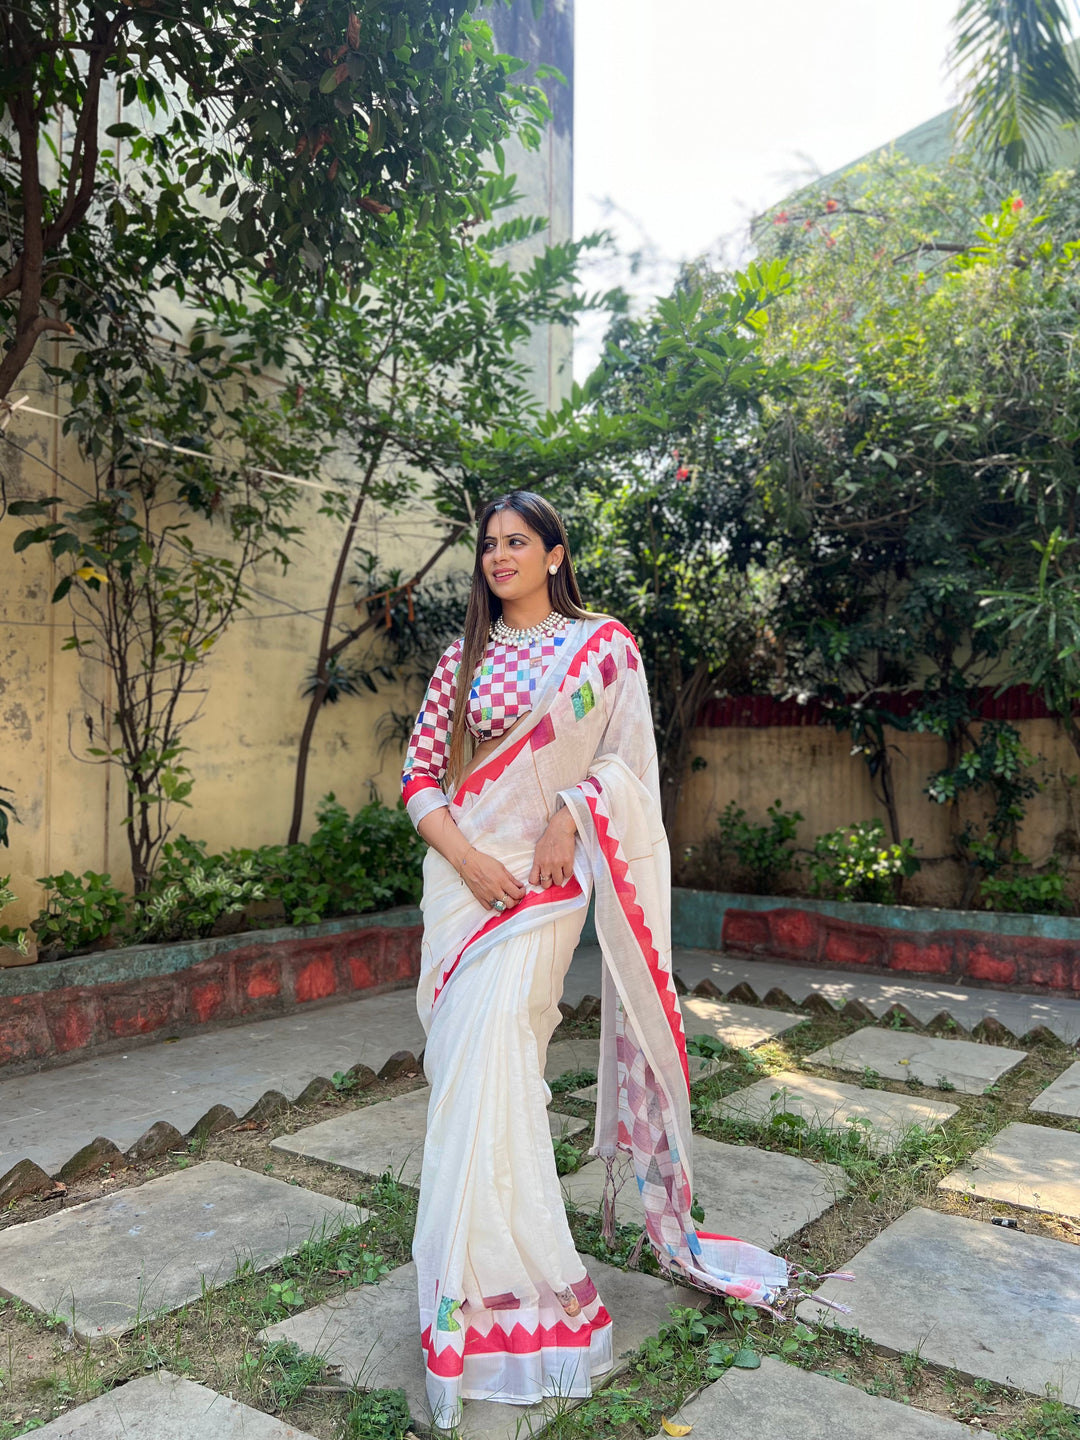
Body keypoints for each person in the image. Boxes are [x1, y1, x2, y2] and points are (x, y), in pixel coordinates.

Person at [401, 491, 788, 1427]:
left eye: (517, 542)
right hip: (466, 888)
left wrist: (570, 815)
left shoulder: (602, 648)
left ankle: (525, 1278)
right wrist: (470, 859)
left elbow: (629, 770)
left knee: (504, 1060)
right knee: (467, 1077)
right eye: (489, 543)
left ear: (554, 553)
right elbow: (417, 779)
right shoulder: (464, 657)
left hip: (545, 888)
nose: (499, 556)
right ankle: (467, 1284)